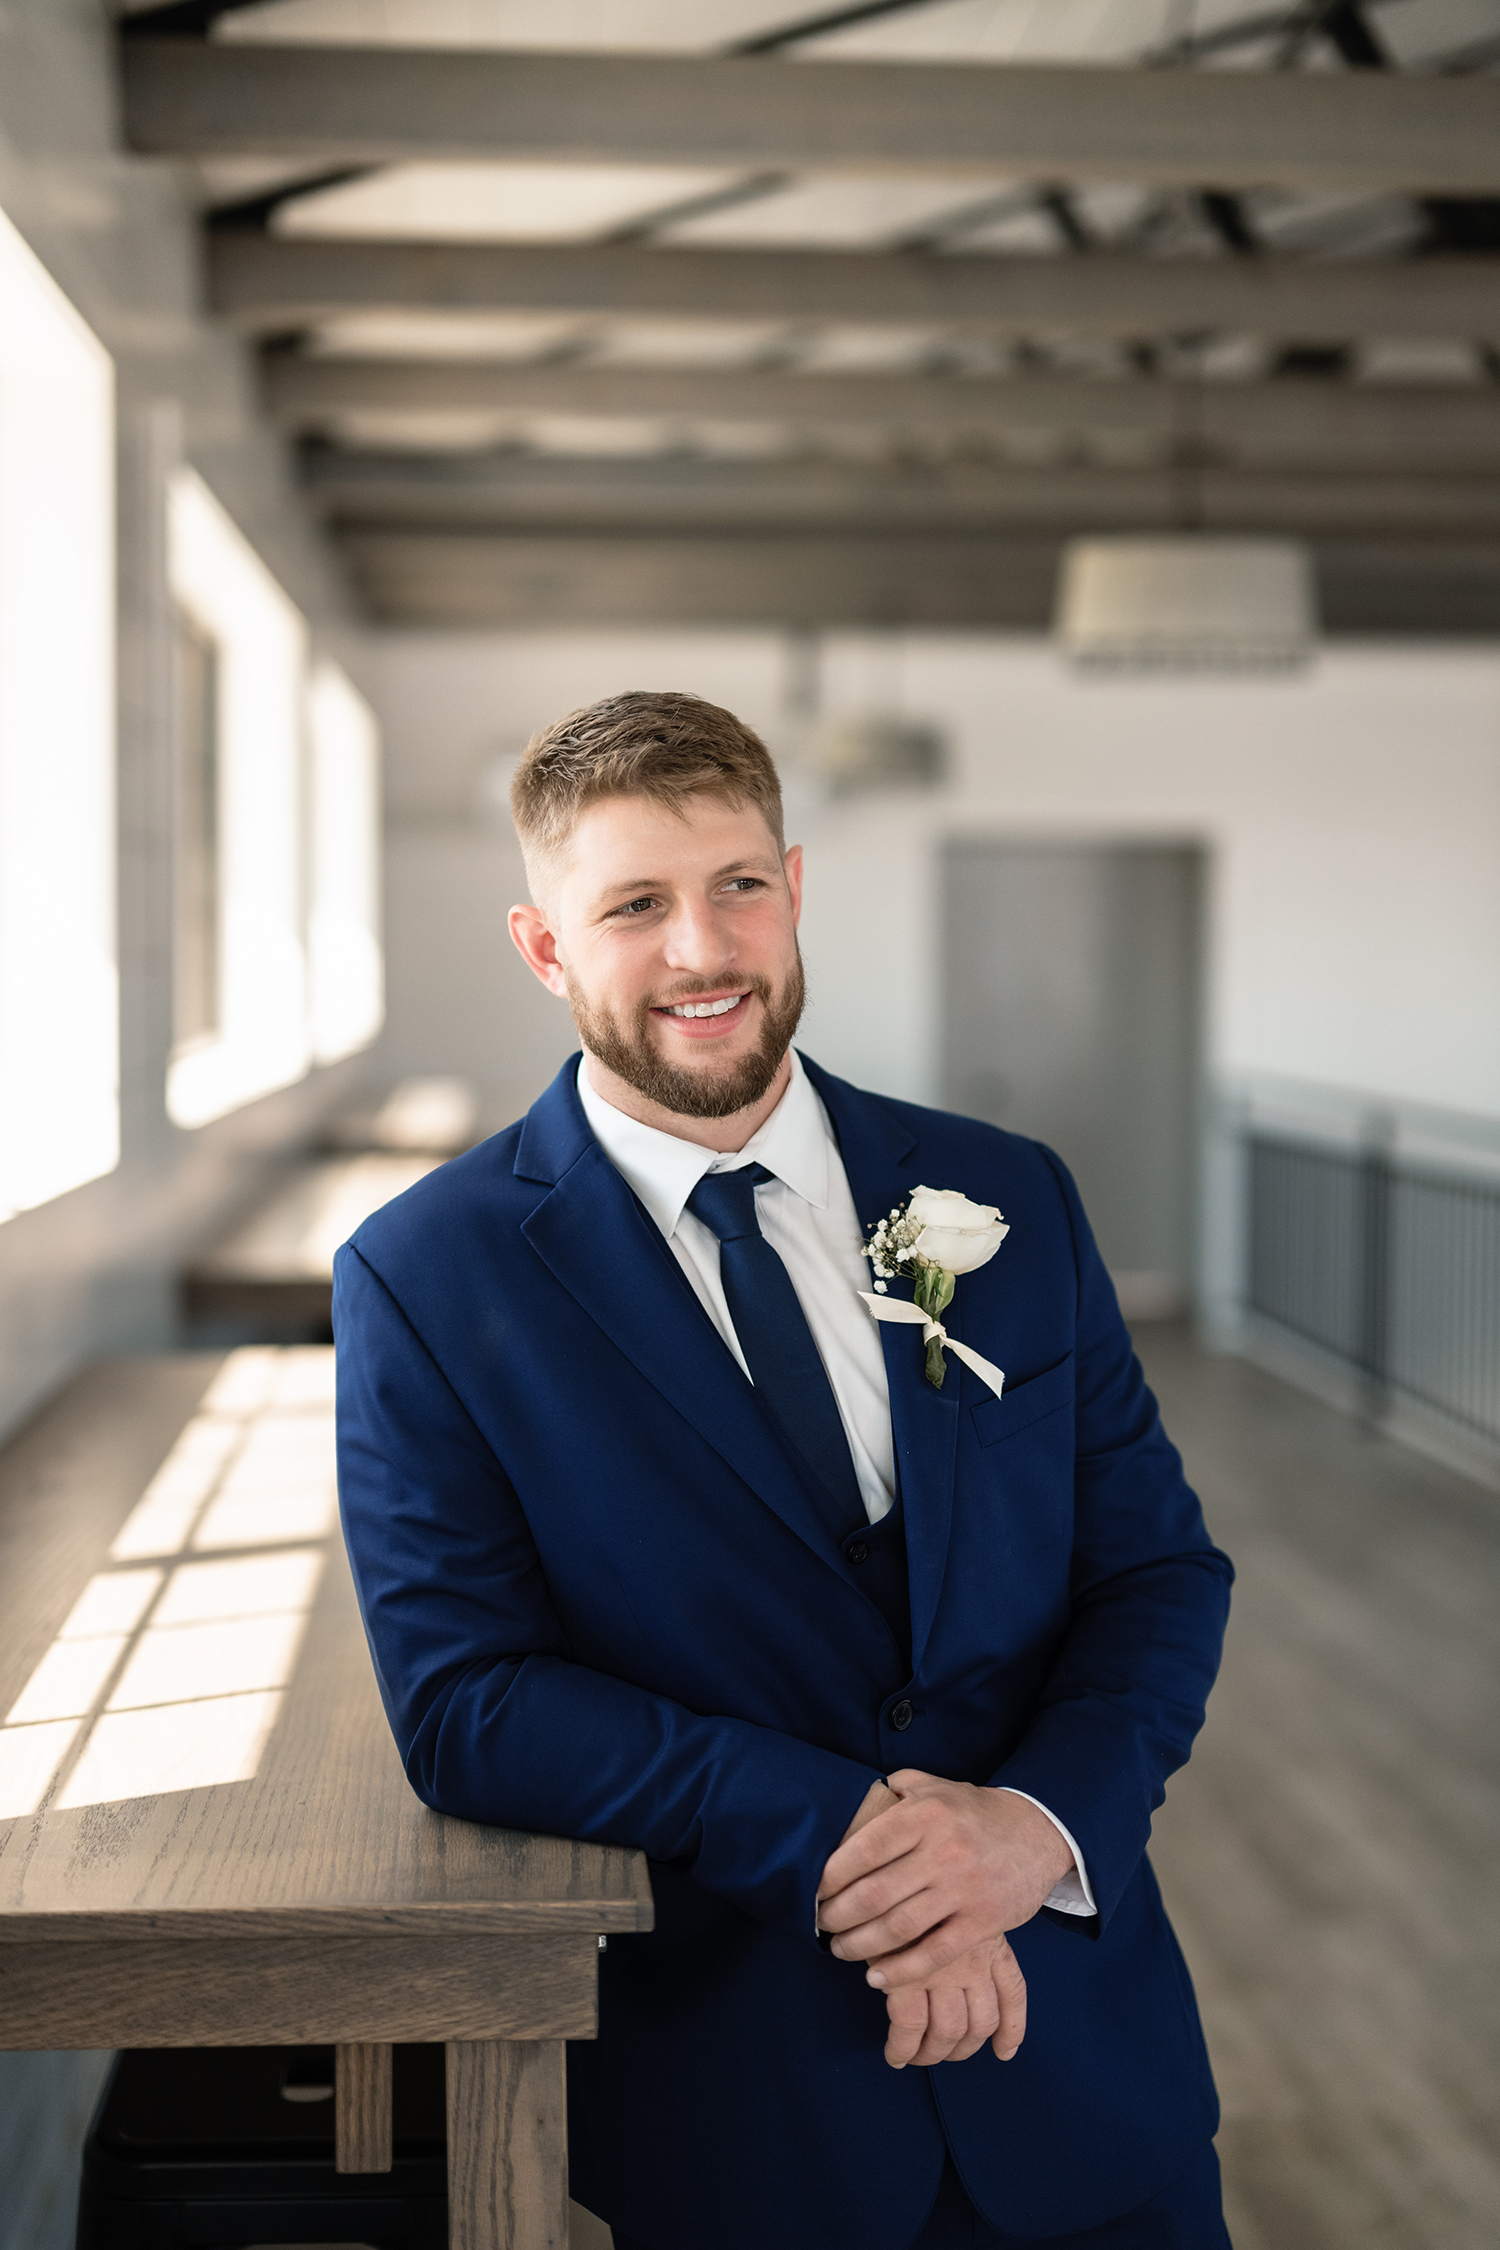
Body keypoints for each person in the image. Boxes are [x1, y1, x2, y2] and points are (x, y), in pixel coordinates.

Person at [334, 690, 1235, 2250]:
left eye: (738, 884)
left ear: (795, 886)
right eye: (634, 905)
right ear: (546, 949)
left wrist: (1030, 1829)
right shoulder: (425, 1274)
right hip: (753, 2104)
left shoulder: (1006, 1191)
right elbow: (465, 1698)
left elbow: (1155, 1570)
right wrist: (850, 1840)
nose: (703, 949)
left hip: (1088, 2060)